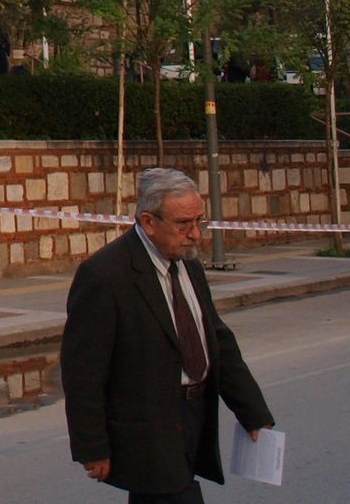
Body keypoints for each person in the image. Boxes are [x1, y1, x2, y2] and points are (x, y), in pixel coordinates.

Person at [61, 167, 274, 502]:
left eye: (199, 221)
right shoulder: (105, 276)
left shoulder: (189, 265)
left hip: (195, 416)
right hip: (149, 430)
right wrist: (92, 446)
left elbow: (217, 341)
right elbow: (83, 372)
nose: (196, 235)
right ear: (149, 222)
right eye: (183, 224)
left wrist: (252, 412)